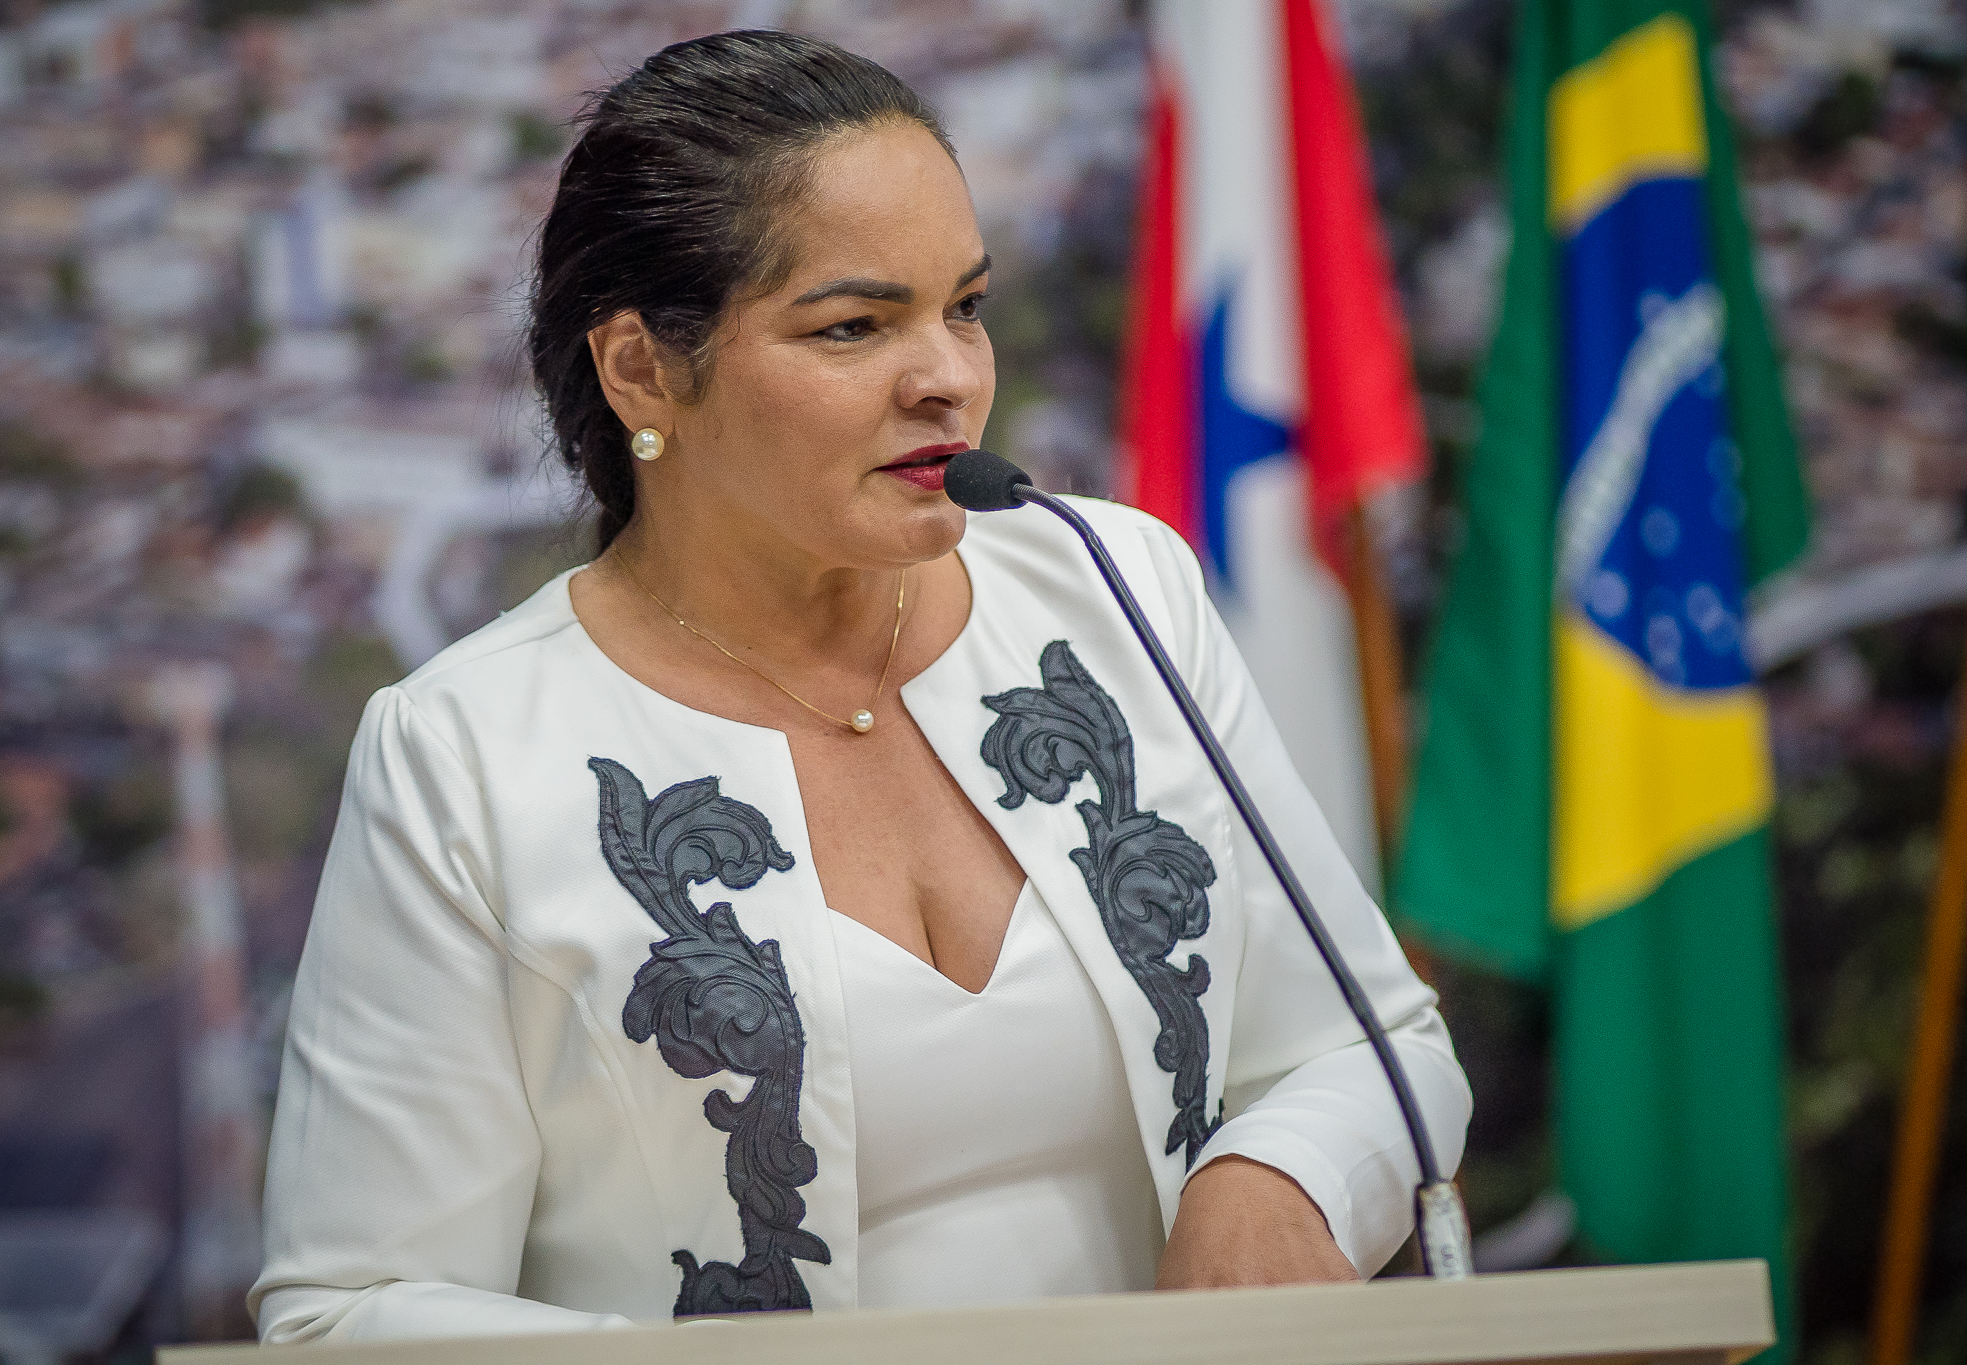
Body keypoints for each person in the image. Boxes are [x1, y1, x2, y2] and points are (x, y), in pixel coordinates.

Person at [250, 29, 1470, 1345]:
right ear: (642, 369)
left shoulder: (1118, 590)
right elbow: (347, 1314)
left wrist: (1278, 1174)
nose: (949, 377)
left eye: (966, 307)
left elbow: (1376, 1045)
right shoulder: (464, 754)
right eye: (853, 326)